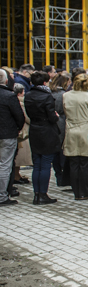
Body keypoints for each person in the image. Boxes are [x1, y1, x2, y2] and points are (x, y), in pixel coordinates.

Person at [24, 71, 61, 205]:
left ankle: (36, 194)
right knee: (45, 164)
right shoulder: (47, 96)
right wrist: (56, 116)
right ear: (45, 82)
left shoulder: (28, 95)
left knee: (37, 164)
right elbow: (52, 117)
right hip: (47, 131)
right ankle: (43, 194)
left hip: (34, 129)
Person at [62, 73, 88, 200]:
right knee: (85, 164)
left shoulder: (66, 95)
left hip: (71, 129)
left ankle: (76, 192)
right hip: (85, 129)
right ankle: (84, 191)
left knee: (73, 163)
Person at [0, 69, 25, 206]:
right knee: (5, 165)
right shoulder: (9, 96)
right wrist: (17, 129)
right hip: (7, 134)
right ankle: (2, 196)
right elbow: (19, 116)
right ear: (5, 81)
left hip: (7, 133)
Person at [50, 73, 71, 187]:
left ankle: (58, 175)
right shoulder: (65, 95)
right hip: (63, 123)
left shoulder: (50, 93)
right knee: (63, 150)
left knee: (55, 152)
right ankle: (63, 176)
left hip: (52, 124)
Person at [13, 83, 32, 185]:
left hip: (17, 132)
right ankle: (16, 176)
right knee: (19, 157)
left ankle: (17, 175)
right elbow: (27, 118)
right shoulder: (21, 103)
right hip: (23, 133)